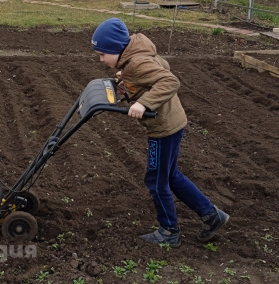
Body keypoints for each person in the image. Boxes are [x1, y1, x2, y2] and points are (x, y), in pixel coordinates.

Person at [91, 18, 229, 247]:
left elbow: (169, 80)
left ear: (117, 48)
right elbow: (153, 73)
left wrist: (144, 103)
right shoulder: (135, 53)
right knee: (171, 175)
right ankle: (212, 216)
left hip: (163, 128)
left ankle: (169, 231)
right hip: (173, 122)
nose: (101, 59)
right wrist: (124, 82)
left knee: (156, 180)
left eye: (103, 54)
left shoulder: (136, 63)